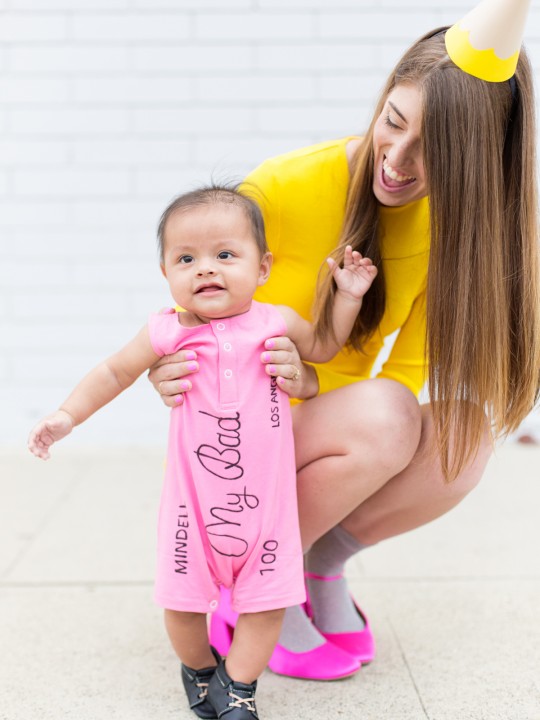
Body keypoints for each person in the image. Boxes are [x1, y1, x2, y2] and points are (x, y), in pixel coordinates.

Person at [147, 3, 540, 682]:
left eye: (432, 149)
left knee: (466, 434)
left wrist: (370, 450)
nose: (396, 160)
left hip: (328, 436)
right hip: (239, 436)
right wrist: (168, 365)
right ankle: (253, 587)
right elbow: (195, 288)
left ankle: (313, 563)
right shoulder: (282, 186)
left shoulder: (454, 230)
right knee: (385, 415)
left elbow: (411, 366)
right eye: (393, 122)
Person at [28, 185, 377, 719]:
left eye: (225, 255)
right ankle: (199, 668)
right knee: (182, 606)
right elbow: (114, 371)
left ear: (262, 268)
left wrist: (347, 296)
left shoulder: (275, 322)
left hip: (265, 512)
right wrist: (67, 415)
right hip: (193, 513)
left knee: (266, 607)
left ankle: (238, 687)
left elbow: (326, 347)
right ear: (165, 271)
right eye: (186, 258)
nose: (205, 269)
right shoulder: (166, 331)